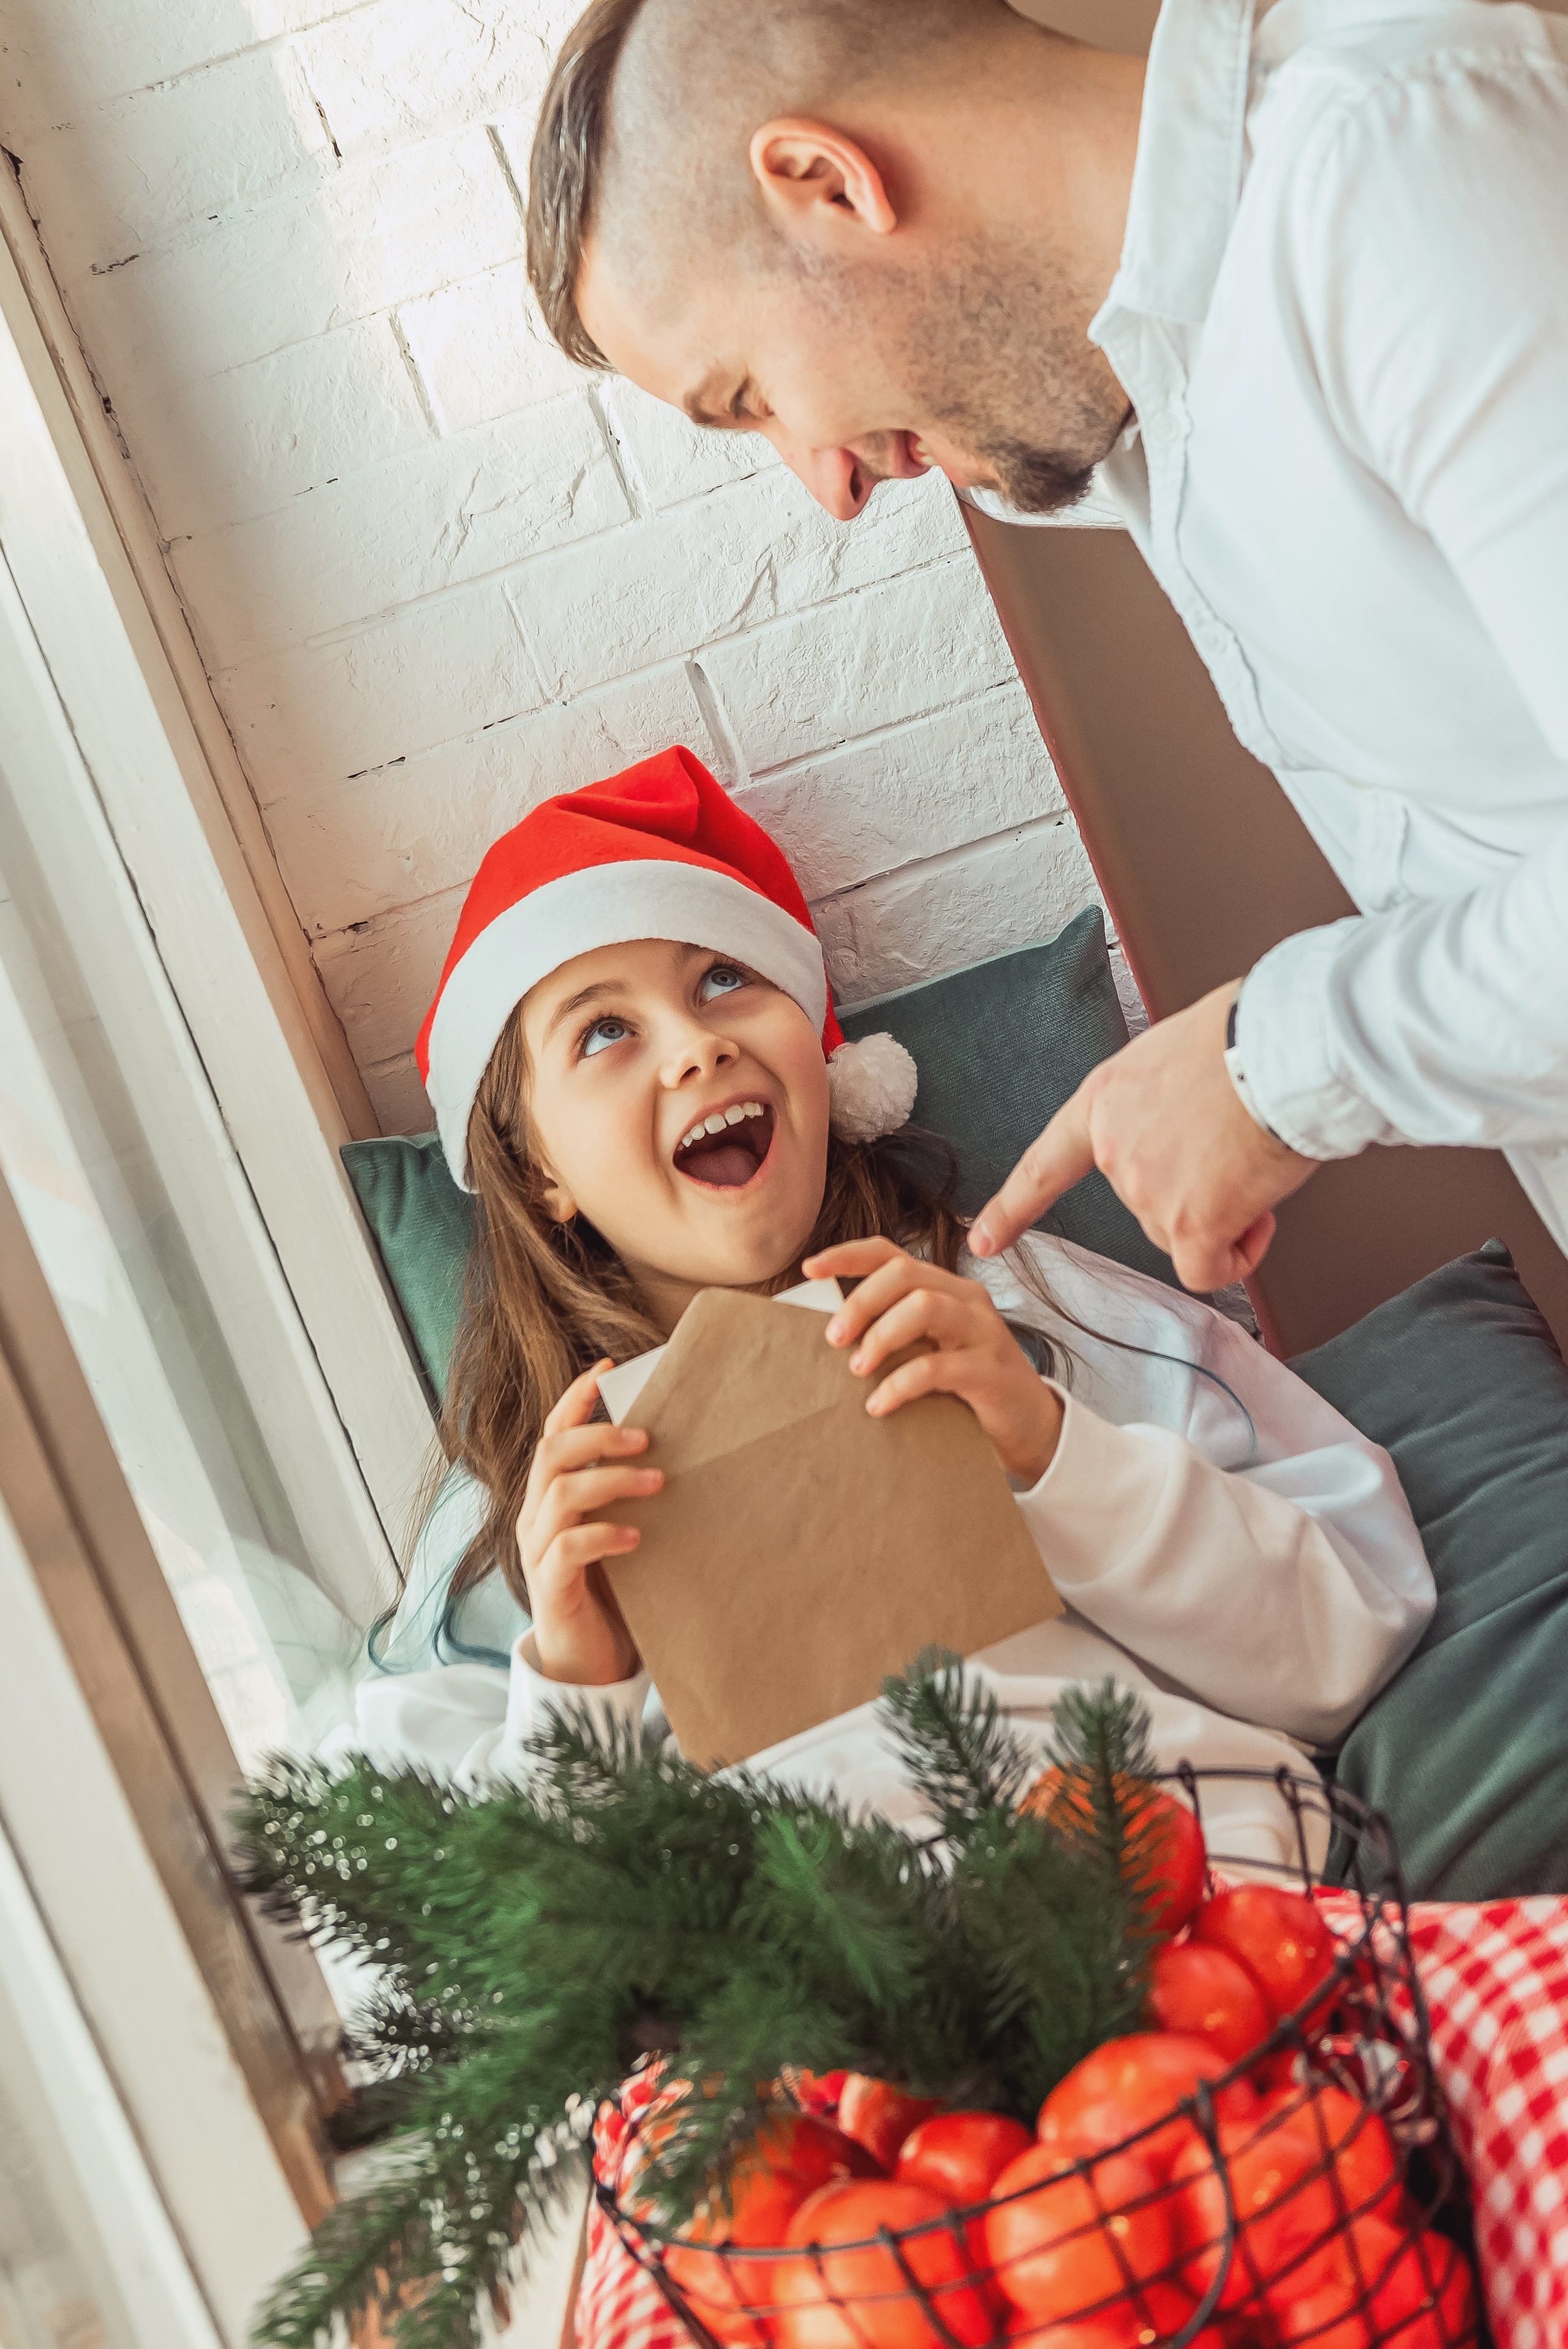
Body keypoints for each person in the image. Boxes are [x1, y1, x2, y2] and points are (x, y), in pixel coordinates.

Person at [521, 0, 1568, 1294]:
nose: (829, 485)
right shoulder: (1151, 405)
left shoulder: (1395, 171)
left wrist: (1267, 1070)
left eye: (751, 395)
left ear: (829, 184)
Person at [348, 745, 1433, 1872]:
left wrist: (1052, 1450)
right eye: (604, 1032)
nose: (699, 1045)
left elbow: (1346, 1631)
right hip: (806, 1963)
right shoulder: (523, 1512)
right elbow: (426, 1926)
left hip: (1170, 1892)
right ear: (538, 1174)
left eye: (723, 979)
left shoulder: (1008, 1304)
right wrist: (577, 1689)